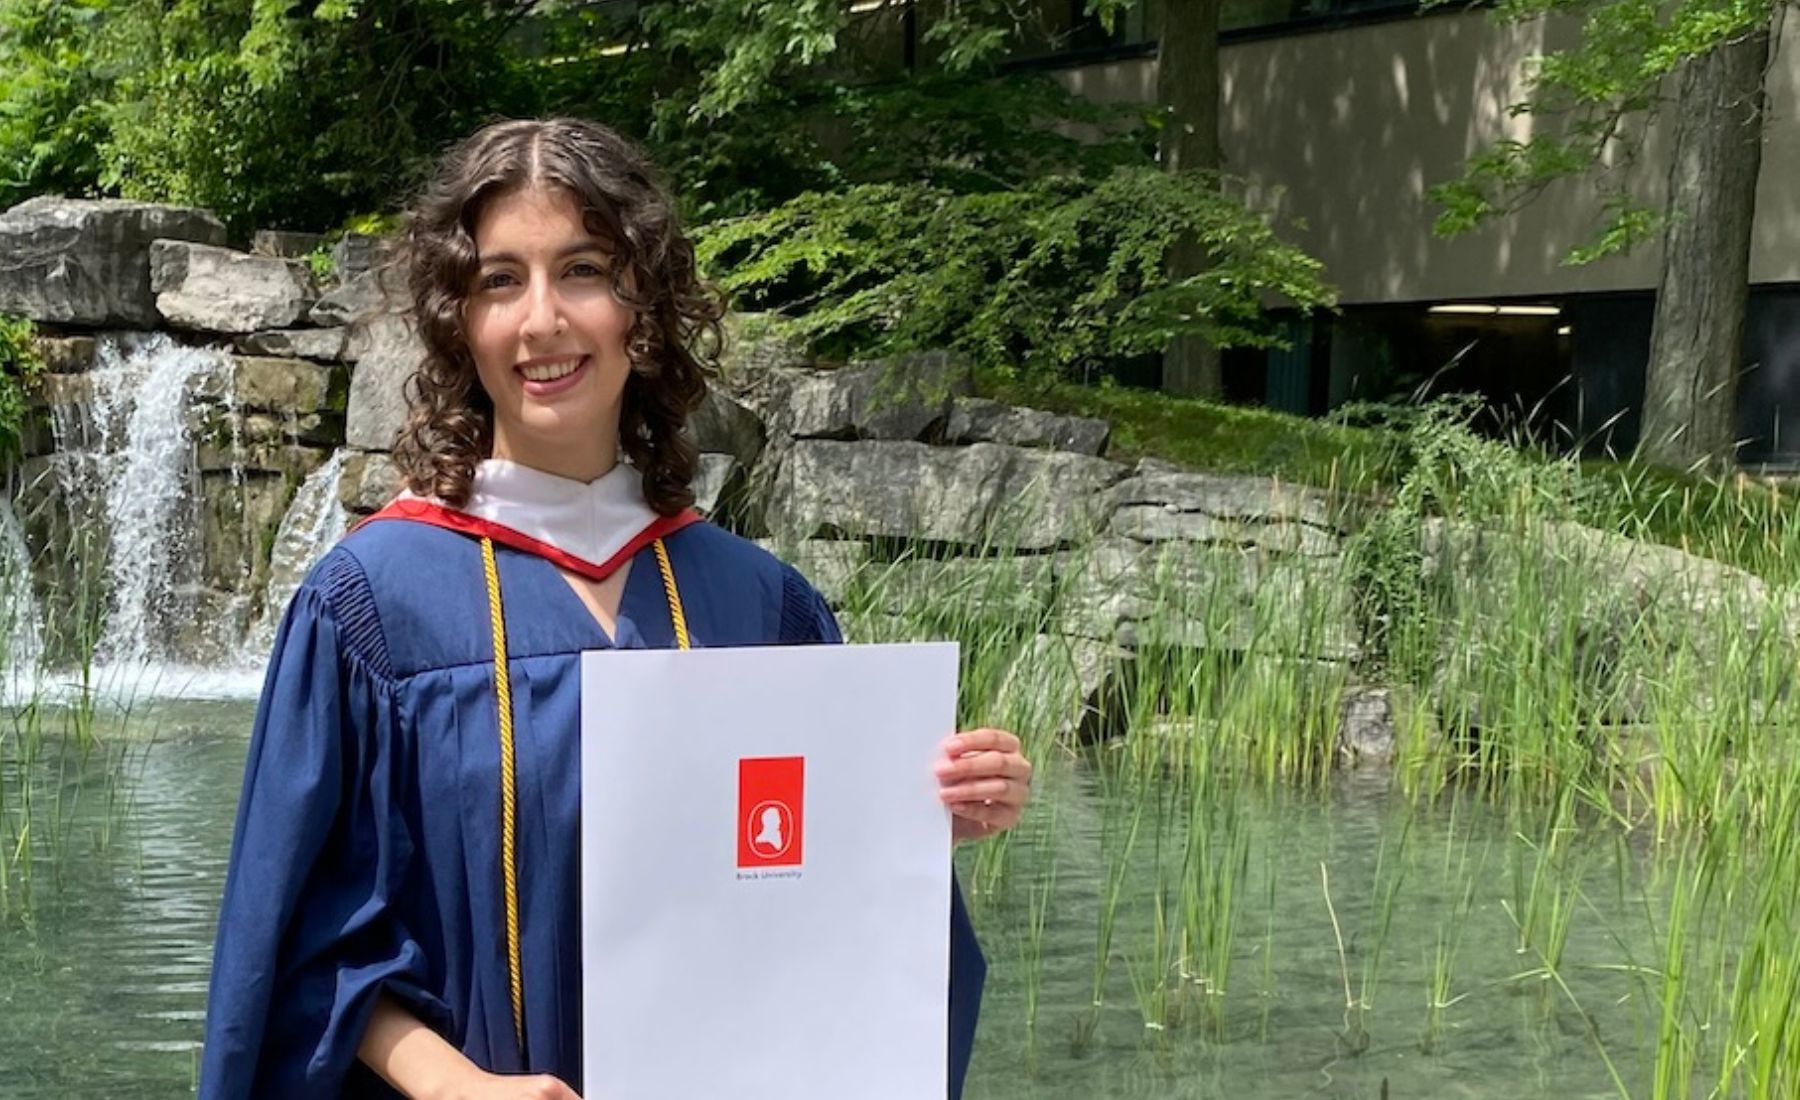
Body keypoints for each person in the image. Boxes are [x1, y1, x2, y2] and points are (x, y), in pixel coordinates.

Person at [197, 116, 1034, 1100]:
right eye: (500, 279)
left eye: (584, 269)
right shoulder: (373, 607)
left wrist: (921, 815)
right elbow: (295, 939)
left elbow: (823, 913)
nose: (543, 317)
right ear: (458, 321)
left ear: (644, 307)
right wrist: (451, 1082)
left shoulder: (757, 602)